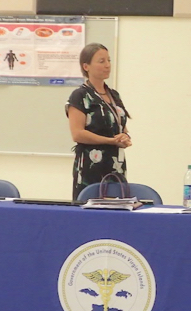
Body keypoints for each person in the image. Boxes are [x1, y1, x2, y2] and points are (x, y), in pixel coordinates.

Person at [66, 43, 132, 200]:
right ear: (86, 66)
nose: (107, 65)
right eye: (101, 61)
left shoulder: (114, 95)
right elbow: (78, 134)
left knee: (117, 208)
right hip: (91, 164)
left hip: (115, 163)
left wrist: (124, 137)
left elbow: (120, 127)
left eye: (108, 60)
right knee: (90, 211)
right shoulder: (80, 95)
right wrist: (110, 141)